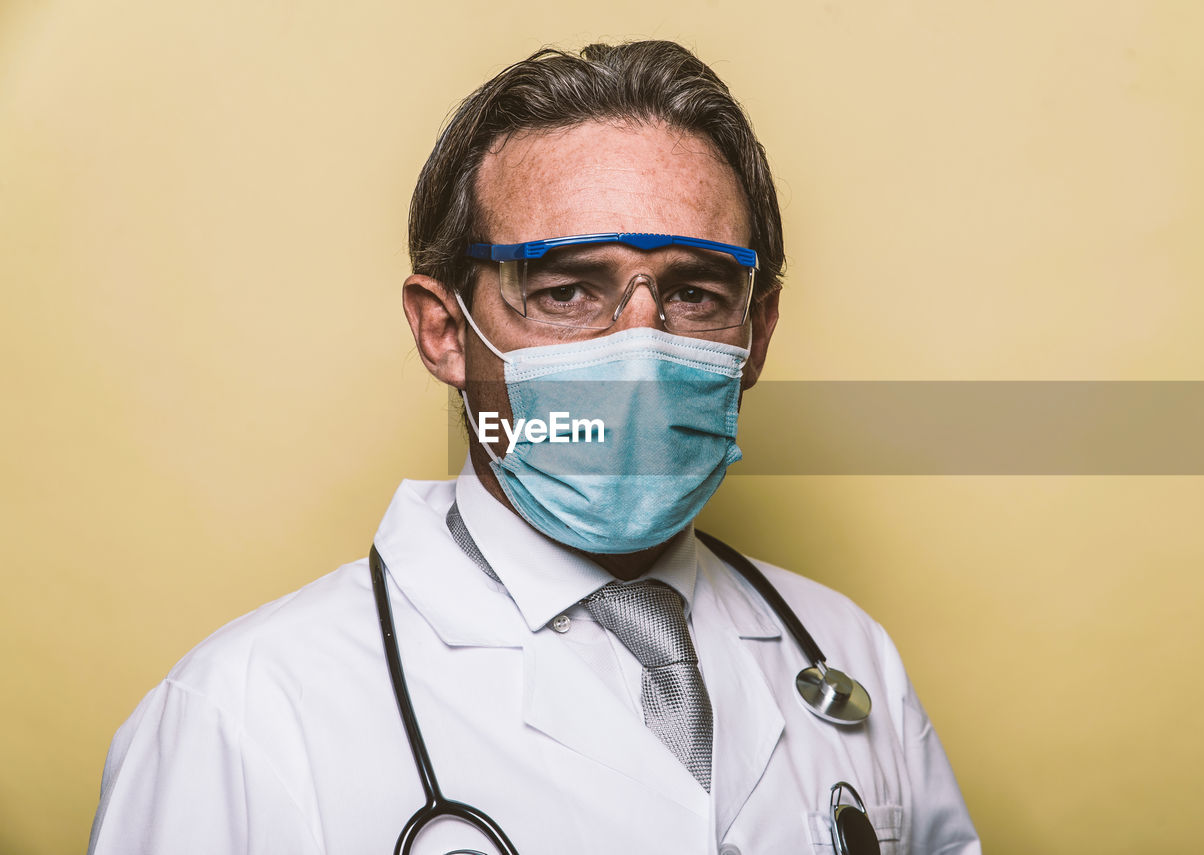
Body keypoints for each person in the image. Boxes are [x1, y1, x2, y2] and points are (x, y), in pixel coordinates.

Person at [88, 41, 981, 855]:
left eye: (696, 293)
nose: (639, 351)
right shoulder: (242, 719)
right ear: (444, 329)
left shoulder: (850, 658)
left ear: (757, 333)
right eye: (565, 291)